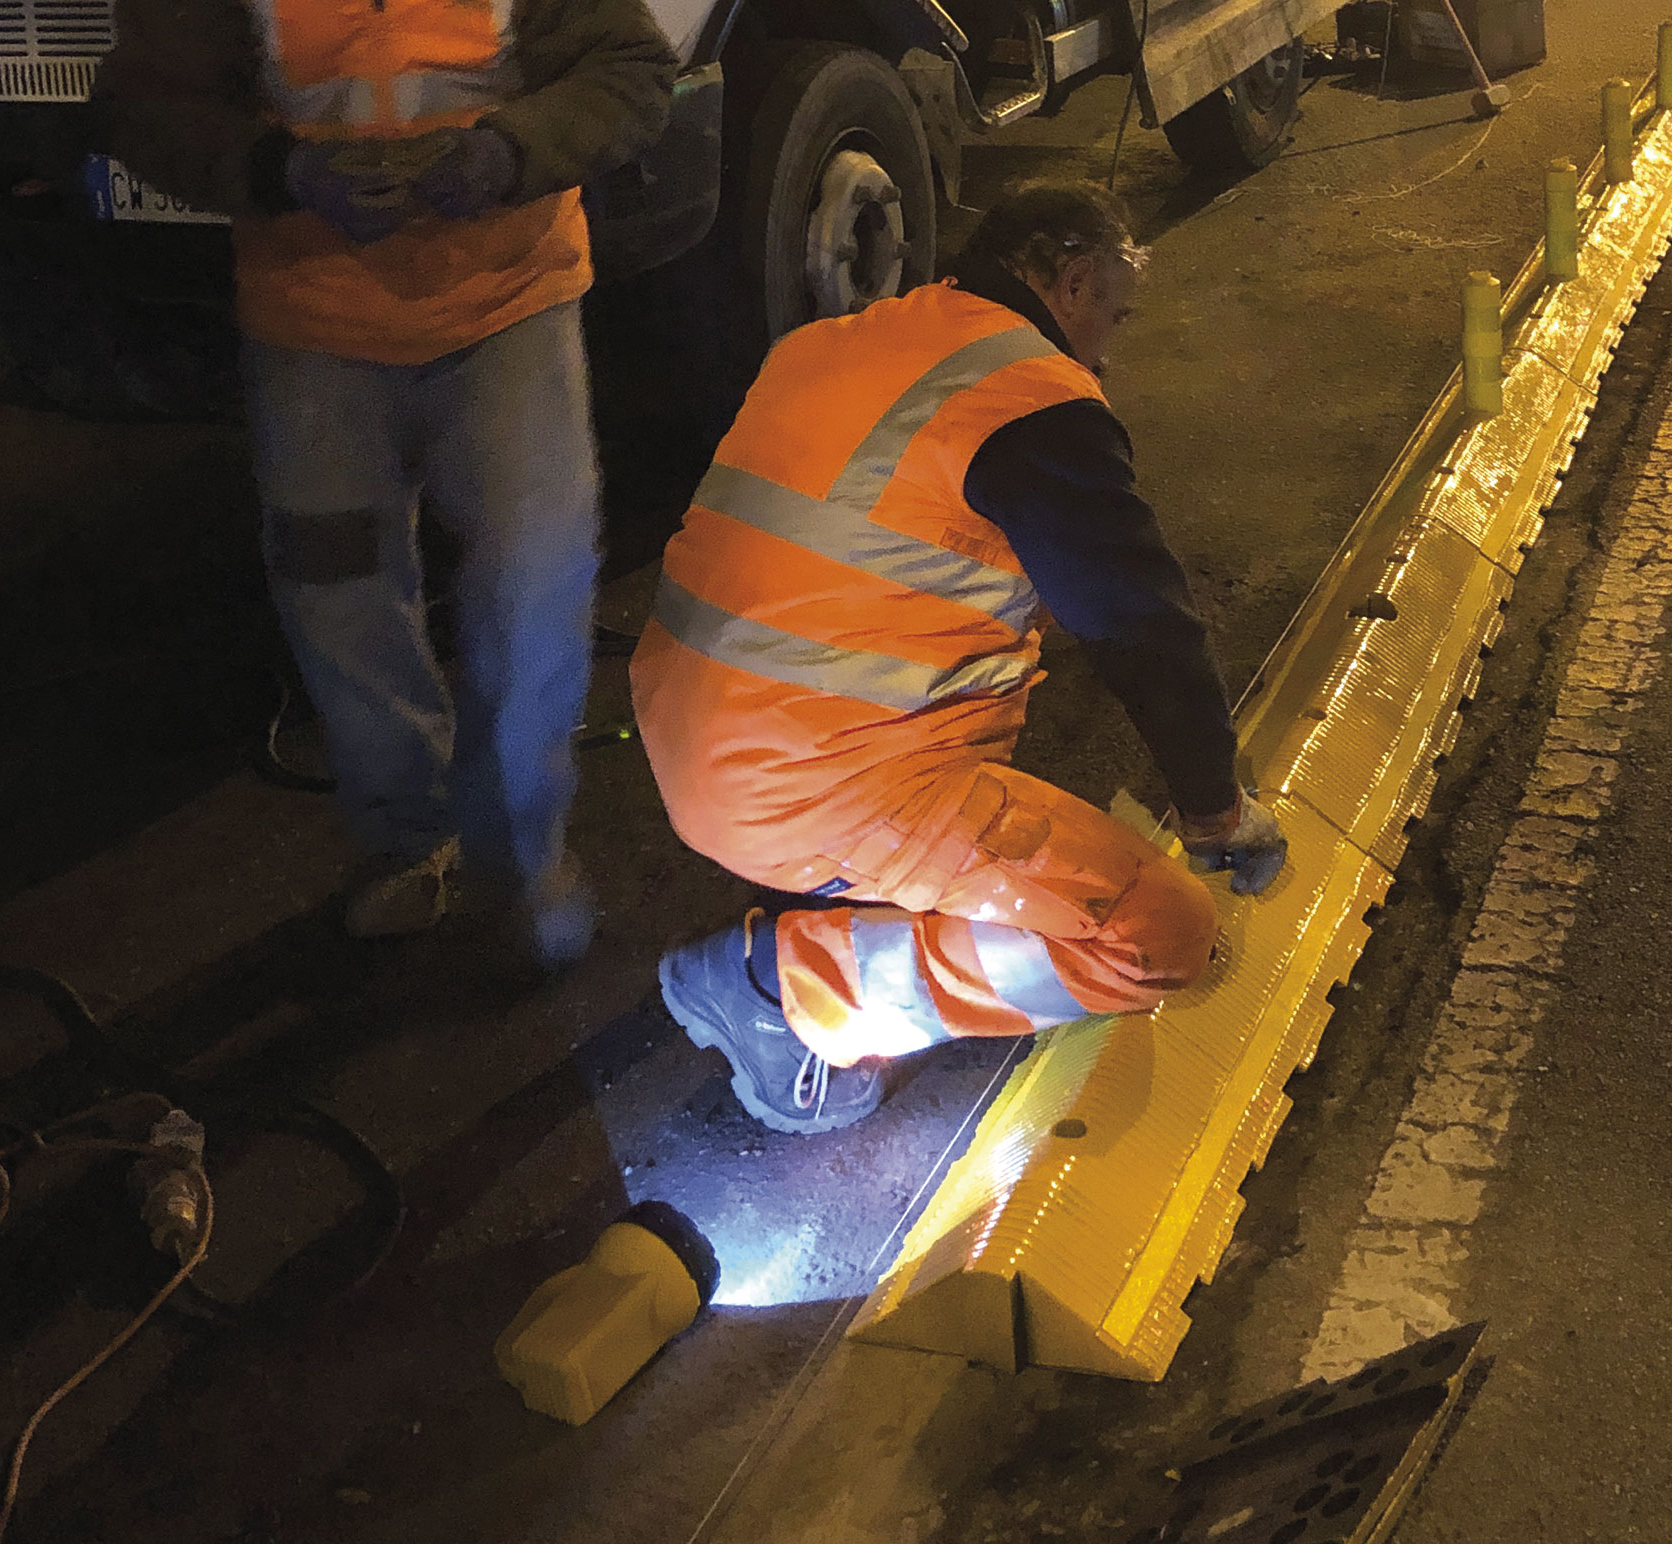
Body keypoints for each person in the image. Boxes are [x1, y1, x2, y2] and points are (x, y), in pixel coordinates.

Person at [634, 183, 1290, 1134]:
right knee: (1164, 940)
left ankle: (815, 896)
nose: (1107, 347)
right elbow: (1139, 627)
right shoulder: (1034, 397)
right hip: (812, 786)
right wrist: (1214, 808)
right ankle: (786, 991)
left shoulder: (843, 340)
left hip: (691, 734)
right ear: (1070, 283)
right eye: (1111, 313)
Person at [93, 0, 676, 964]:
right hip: (313, 322)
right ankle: (412, 845)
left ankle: (520, 867)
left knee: (533, 596)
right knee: (341, 602)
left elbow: (630, 72)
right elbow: (145, 103)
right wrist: (280, 170)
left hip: (508, 305)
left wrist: (508, 151)